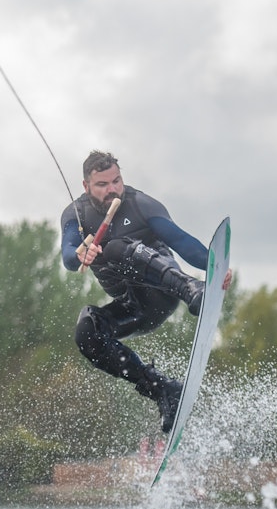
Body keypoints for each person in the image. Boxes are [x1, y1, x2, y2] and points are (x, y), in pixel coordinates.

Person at [60, 150, 227, 436]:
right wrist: (80, 255)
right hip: (134, 310)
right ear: (86, 187)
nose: (112, 189)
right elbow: (68, 254)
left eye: (117, 181)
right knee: (87, 330)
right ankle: (163, 389)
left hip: (163, 291)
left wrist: (216, 267)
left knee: (115, 248)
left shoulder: (140, 205)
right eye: (103, 185)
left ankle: (191, 288)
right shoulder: (75, 215)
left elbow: (181, 241)